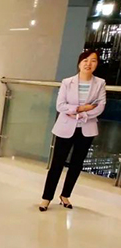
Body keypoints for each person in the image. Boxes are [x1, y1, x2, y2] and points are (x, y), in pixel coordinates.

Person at [39, 50, 106, 211]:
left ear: (97, 64)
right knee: (57, 164)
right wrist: (81, 108)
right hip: (65, 128)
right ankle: (46, 198)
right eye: (85, 60)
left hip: (86, 129)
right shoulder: (67, 82)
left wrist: (80, 114)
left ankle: (65, 195)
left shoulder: (100, 83)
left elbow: (100, 106)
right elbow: (60, 106)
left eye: (93, 61)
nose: (88, 64)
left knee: (76, 164)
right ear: (79, 63)